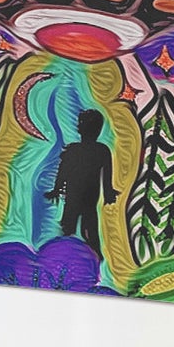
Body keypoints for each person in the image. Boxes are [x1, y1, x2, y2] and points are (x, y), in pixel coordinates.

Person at [44, 109, 118, 254]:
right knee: (87, 229)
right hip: (86, 197)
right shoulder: (101, 150)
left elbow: (63, 173)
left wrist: (57, 189)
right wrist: (108, 193)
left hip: (78, 196)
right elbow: (106, 177)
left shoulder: (75, 150)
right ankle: (92, 255)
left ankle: (70, 254)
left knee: (72, 227)